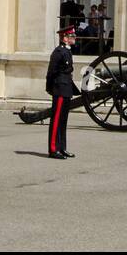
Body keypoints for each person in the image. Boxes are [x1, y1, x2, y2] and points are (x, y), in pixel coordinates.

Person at [44, 24, 78, 159]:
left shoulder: (67, 51)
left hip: (66, 89)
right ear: (65, 38)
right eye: (72, 36)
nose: (74, 38)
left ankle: (62, 147)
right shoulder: (58, 52)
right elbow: (51, 72)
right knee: (56, 120)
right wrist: (50, 88)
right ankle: (53, 149)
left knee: (63, 120)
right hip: (59, 89)